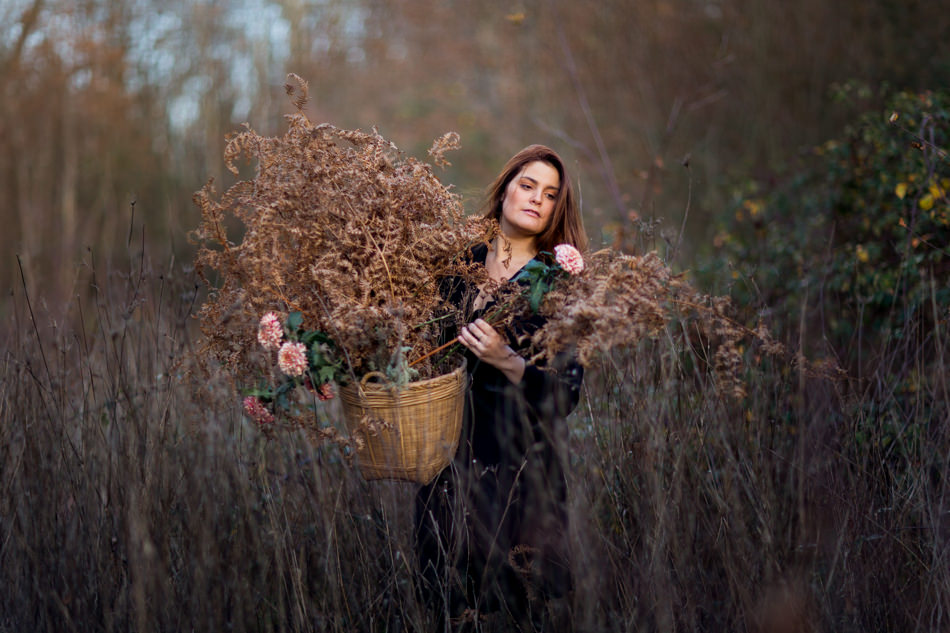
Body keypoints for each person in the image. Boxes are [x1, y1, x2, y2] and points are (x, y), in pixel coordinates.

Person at [415, 145, 587, 630]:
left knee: (519, 609)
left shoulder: (558, 284)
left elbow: (565, 396)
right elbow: (421, 350)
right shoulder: (456, 266)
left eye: (550, 194)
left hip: (523, 474)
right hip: (448, 467)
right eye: (528, 185)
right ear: (506, 187)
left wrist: (505, 359)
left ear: (557, 209)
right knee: (451, 610)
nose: (537, 199)